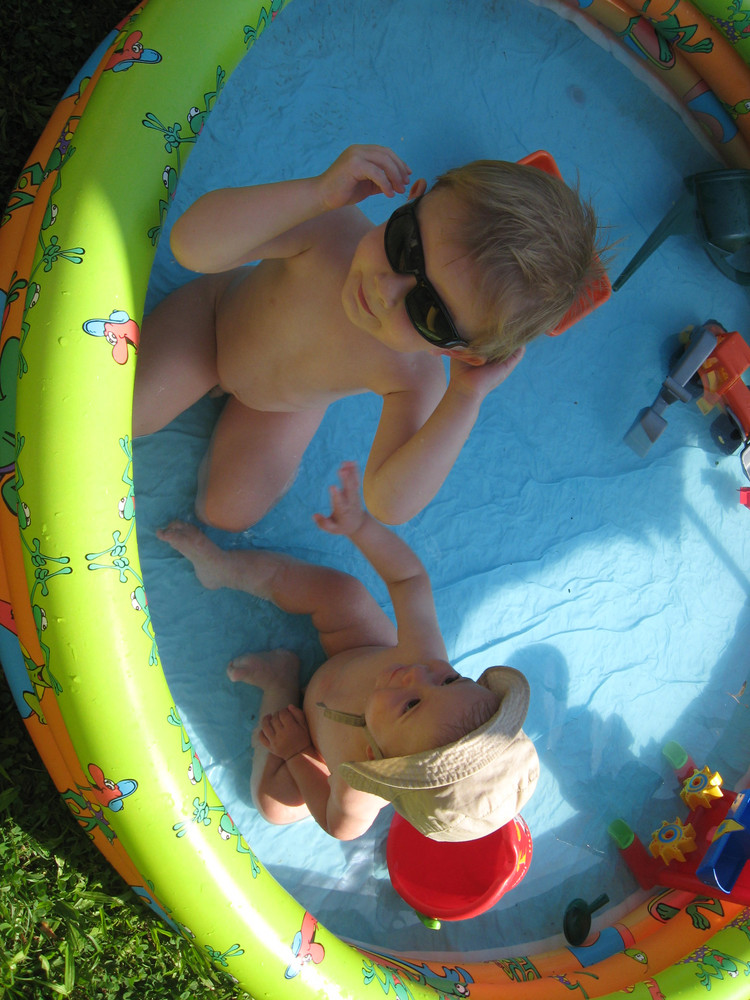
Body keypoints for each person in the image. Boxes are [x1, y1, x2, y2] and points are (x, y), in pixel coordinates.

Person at [134, 144, 606, 530]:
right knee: (130, 413)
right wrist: (317, 192)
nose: (385, 289)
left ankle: (272, 463)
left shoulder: (414, 377)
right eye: (404, 244)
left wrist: (466, 396)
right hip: (214, 320)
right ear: (411, 199)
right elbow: (190, 244)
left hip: (278, 405)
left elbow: (387, 503)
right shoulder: (331, 230)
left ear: (461, 353)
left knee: (228, 513)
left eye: (428, 311)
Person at [157, 461, 539, 842]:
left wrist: (297, 753)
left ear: (379, 761)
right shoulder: (424, 657)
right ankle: (224, 568)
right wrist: (361, 527)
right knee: (345, 596)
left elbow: (336, 824)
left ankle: (279, 682)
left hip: (314, 744)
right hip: (355, 650)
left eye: (411, 705)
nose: (418, 674)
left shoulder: (361, 788)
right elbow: (409, 579)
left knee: (275, 804)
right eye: (451, 680)